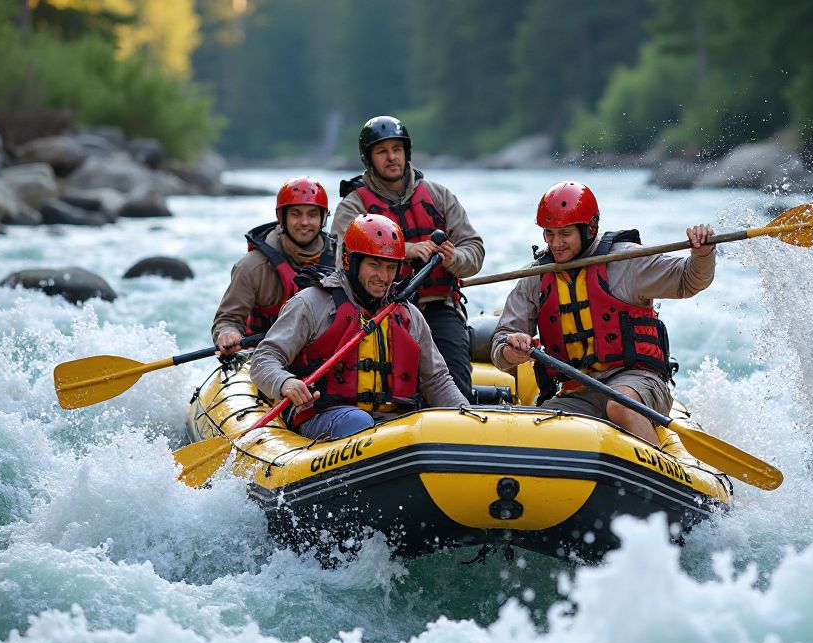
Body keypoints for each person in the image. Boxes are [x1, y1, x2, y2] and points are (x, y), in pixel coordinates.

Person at [490, 181, 715, 447]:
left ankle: (659, 468)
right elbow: (500, 347)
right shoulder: (535, 277)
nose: (555, 243)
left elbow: (688, 280)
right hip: (579, 389)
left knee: (620, 405)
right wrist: (512, 349)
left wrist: (702, 253)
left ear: (589, 229)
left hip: (638, 380)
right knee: (534, 433)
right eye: (549, 234)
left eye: (565, 234)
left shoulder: (627, 261)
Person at [249, 212, 467, 441]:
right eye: (374, 265)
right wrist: (286, 382)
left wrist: (465, 416)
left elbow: (437, 381)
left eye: (390, 267)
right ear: (350, 261)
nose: (383, 277)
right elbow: (264, 359)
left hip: (395, 426)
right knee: (358, 422)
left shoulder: (408, 315)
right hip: (326, 417)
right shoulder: (312, 304)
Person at [331, 115, 484, 400]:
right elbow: (342, 262)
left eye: (397, 150)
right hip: (380, 312)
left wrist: (452, 258)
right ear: (369, 158)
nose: (392, 158)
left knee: (455, 378)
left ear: (406, 152)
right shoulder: (353, 205)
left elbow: (474, 251)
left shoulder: (439, 196)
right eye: (382, 151)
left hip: (437, 308)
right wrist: (406, 250)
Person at [212, 176, 335, 356]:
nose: (304, 222)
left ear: (323, 218)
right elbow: (227, 319)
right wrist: (227, 333)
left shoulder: (342, 259)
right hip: (264, 358)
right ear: (281, 218)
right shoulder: (252, 266)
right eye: (296, 214)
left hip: (322, 357)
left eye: (312, 214)